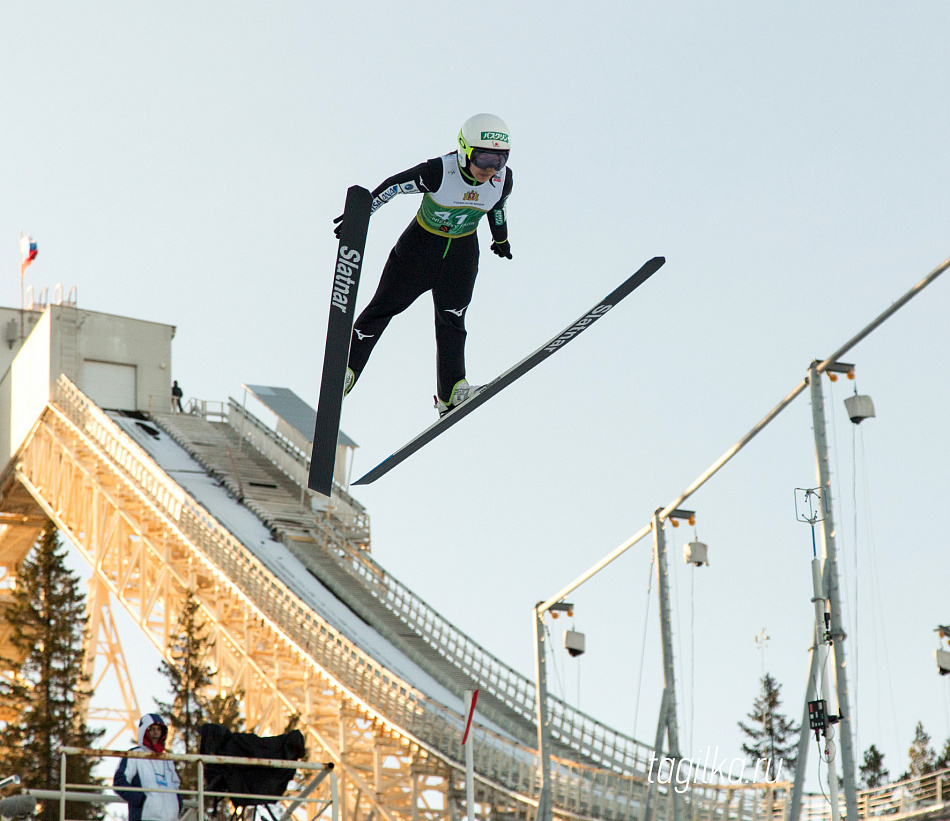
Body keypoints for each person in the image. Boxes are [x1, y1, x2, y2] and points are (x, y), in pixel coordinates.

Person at [338, 113, 514, 416]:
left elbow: (497, 209)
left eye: (499, 160)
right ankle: (347, 372)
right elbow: (393, 186)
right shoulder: (438, 171)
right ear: (464, 150)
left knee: (453, 322)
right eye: (484, 158)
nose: (490, 168)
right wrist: (361, 214)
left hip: (461, 256)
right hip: (419, 250)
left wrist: (501, 240)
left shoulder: (503, 179)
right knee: (382, 309)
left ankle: (452, 392)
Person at [113, 714, 182, 821]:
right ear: (144, 731)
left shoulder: (167, 759)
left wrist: (178, 804)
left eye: (159, 729)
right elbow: (119, 782)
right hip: (145, 817)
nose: (156, 732)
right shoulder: (135, 754)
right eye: (152, 729)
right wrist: (141, 800)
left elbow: (176, 785)